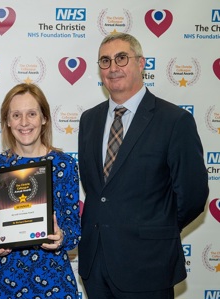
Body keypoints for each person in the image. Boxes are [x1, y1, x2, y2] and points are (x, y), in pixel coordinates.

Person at [77, 32, 209, 299]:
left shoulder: (174, 121)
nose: (113, 67)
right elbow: (96, 191)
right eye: (105, 61)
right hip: (95, 266)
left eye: (121, 58)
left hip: (149, 264)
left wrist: (155, 230)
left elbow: (193, 195)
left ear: (141, 63)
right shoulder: (88, 120)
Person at [0, 83, 81, 299]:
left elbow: (74, 228)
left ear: (44, 118)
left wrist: (62, 237)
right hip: (5, 282)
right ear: (7, 121)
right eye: (16, 115)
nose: (24, 123)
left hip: (54, 281)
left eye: (31, 114)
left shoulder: (65, 164)